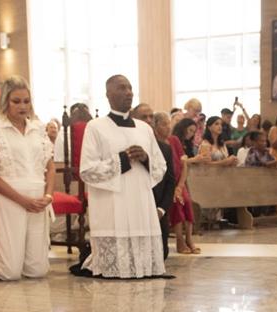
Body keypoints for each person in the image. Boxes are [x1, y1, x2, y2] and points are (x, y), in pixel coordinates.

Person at [77, 74, 167, 279]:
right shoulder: (96, 126)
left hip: (139, 197)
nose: (128, 93)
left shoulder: (145, 128)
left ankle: (143, 266)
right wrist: (122, 160)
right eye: (121, 88)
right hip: (112, 200)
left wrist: (145, 158)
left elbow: (161, 166)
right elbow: (87, 169)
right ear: (108, 94)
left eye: (130, 88)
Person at [0, 77, 54, 282]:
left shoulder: (38, 128)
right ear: (5, 102)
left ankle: (19, 258)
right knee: (9, 272)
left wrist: (48, 196)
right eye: (16, 101)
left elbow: (49, 165)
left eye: (26, 101)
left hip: (38, 202)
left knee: (37, 271)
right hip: (8, 199)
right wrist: (22, 200)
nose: (22, 106)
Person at [132, 104, 176, 260]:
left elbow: (170, 182)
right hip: (134, 208)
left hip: (157, 208)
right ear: (133, 119)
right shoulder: (128, 147)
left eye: (151, 116)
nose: (149, 120)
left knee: (161, 254)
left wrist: (161, 209)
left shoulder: (165, 149)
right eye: (144, 117)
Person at [168, 117, 201, 254]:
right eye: (190, 130)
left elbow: (184, 165)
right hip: (169, 182)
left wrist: (180, 186)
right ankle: (179, 240)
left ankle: (189, 239)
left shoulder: (179, 142)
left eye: (194, 131)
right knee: (177, 203)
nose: (192, 134)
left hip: (180, 181)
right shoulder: (172, 139)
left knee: (187, 202)